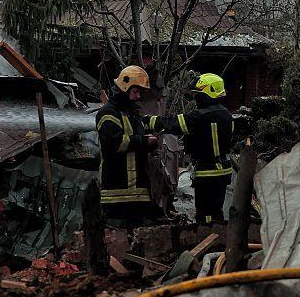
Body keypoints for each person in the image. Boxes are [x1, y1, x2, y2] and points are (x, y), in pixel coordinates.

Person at [146, 73, 234, 224]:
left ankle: (207, 237)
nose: (195, 98)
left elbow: (172, 124)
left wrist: (147, 120)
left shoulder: (200, 116)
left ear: (207, 94)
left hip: (208, 171)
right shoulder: (226, 114)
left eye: (197, 94)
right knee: (216, 209)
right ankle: (219, 236)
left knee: (205, 213)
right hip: (224, 170)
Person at [97, 65, 159, 226]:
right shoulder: (107, 113)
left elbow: (138, 142)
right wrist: (144, 141)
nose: (138, 96)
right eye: (135, 92)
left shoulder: (133, 114)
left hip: (139, 193)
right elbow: (116, 144)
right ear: (125, 87)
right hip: (115, 193)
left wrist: (152, 143)